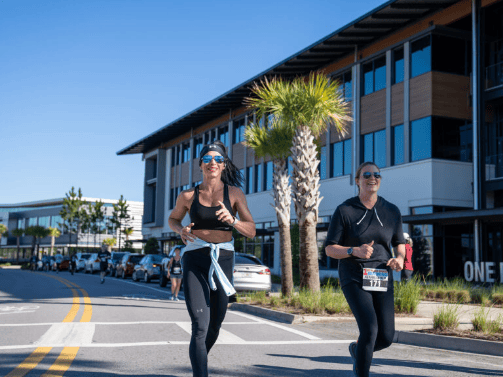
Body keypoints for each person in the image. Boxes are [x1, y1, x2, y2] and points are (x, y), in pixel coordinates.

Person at [168, 140, 256, 377]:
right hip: (195, 259)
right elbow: (173, 219)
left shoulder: (234, 194)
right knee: (200, 325)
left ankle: (199, 360)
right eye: (207, 159)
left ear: (224, 165)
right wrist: (181, 231)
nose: (212, 163)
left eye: (217, 159)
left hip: (223, 261)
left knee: (215, 325)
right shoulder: (187, 195)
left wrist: (233, 221)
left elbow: (251, 230)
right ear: (200, 165)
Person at [325, 161, 406, 377]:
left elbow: (400, 242)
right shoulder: (345, 210)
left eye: (377, 175)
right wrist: (354, 251)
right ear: (357, 180)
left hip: (381, 275)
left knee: (386, 336)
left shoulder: (392, 210)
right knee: (369, 329)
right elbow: (330, 249)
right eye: (367, 174)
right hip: (354, 276)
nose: (373, 178)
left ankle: (356, 349)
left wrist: (399, 258)